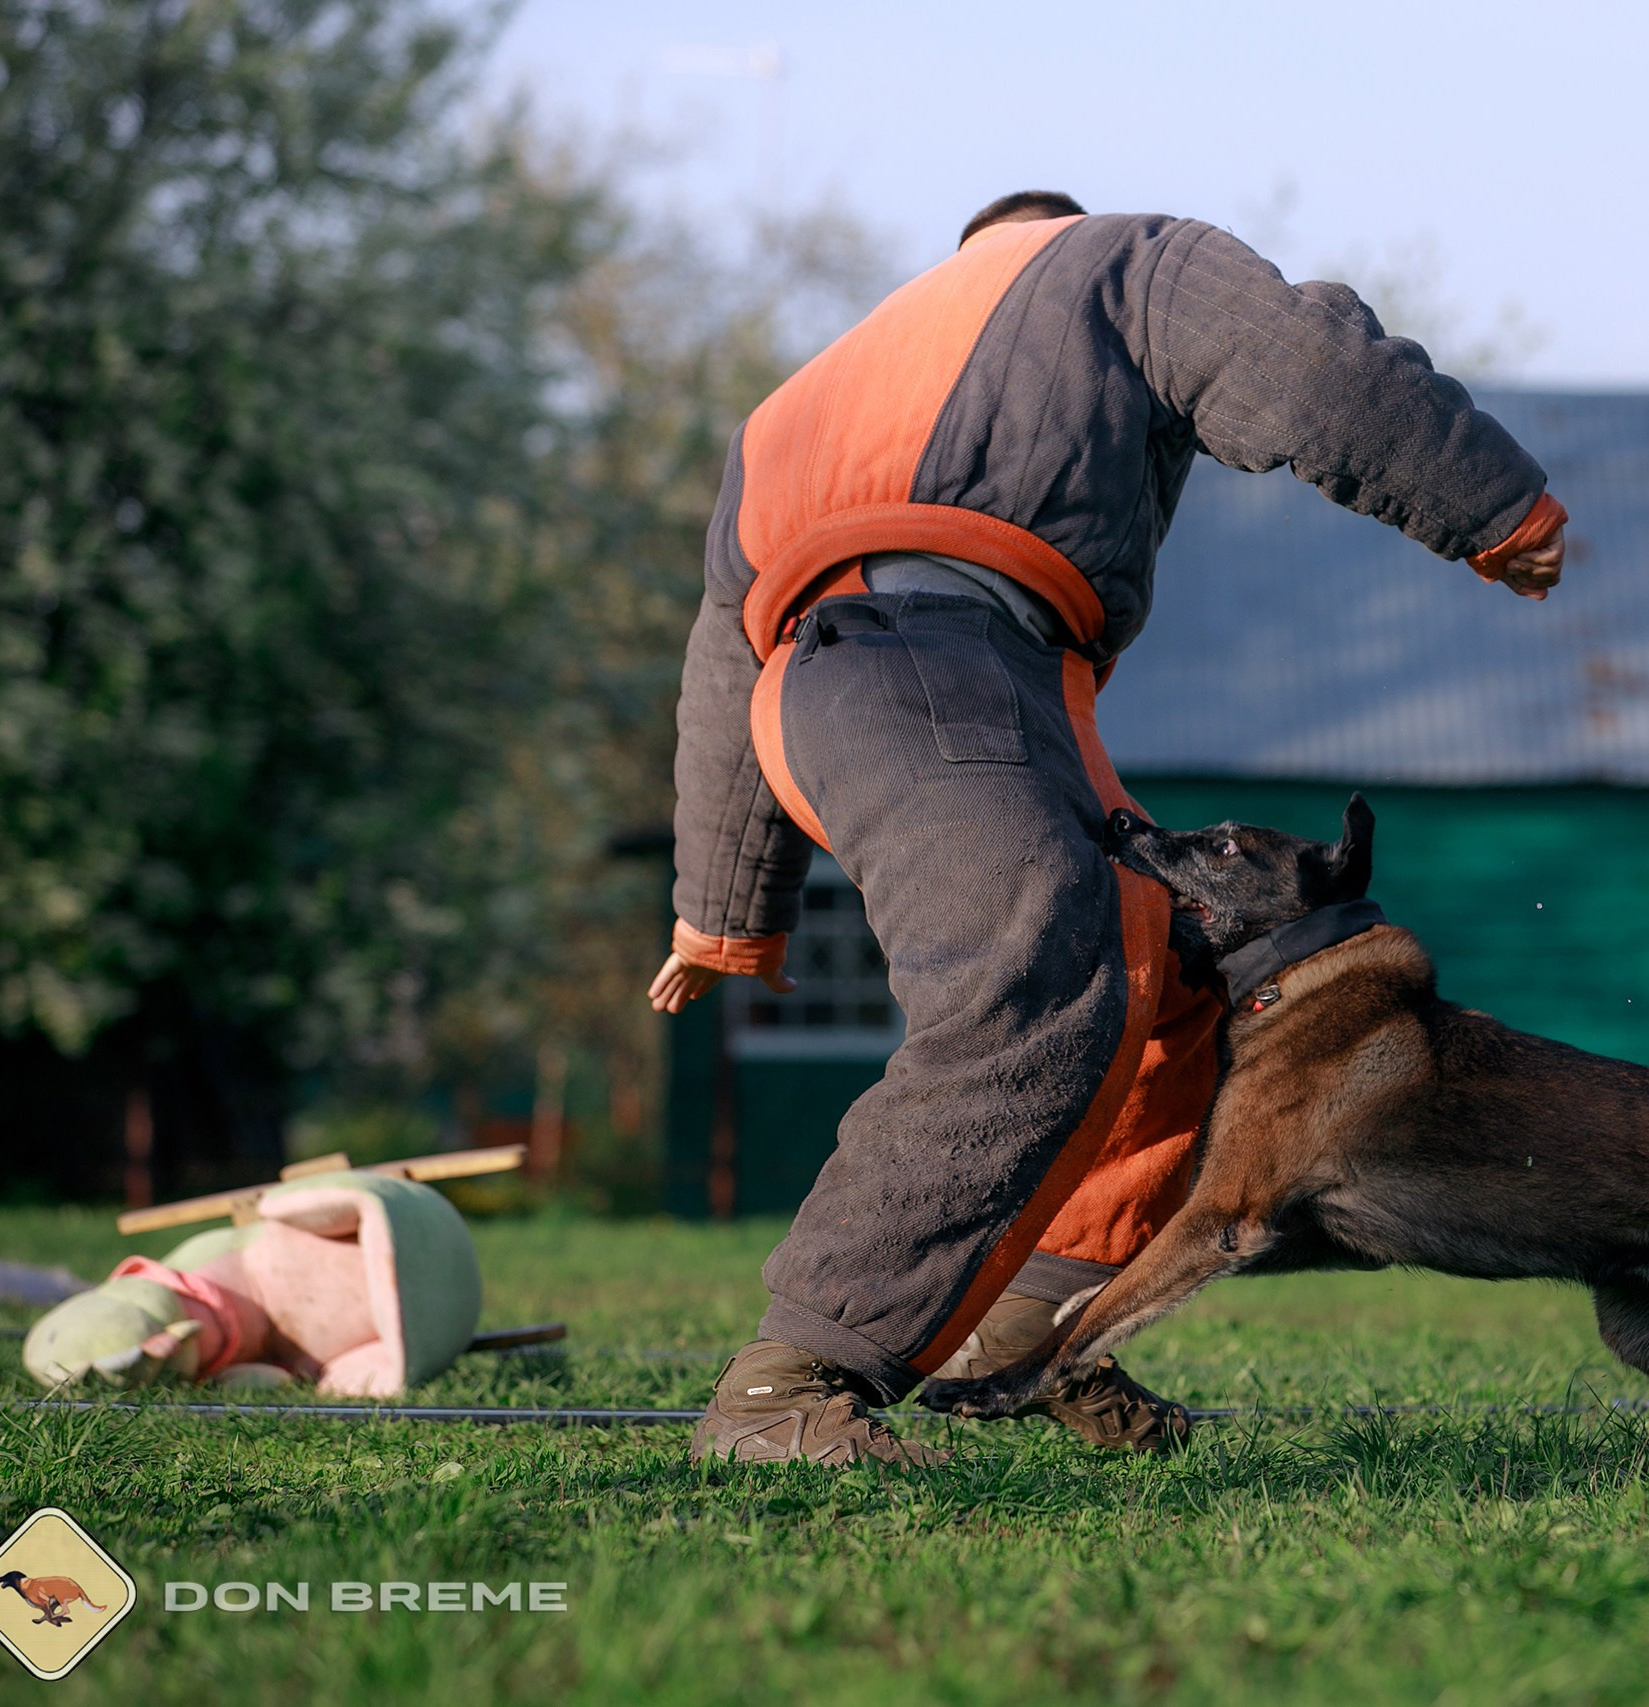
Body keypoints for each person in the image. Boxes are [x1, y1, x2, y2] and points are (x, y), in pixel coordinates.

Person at [653, 190, 1568, 1467]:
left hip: (837, 686)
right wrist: (1491, 505)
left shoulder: (801, 401)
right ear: (1039, 232)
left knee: (1180, 976)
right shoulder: (1118, 259)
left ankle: (1022, 1336)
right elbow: (1302, 363)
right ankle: (785, 1386)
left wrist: (723, 908)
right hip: (941, 661)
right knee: (1031, 980)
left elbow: (717, 654)